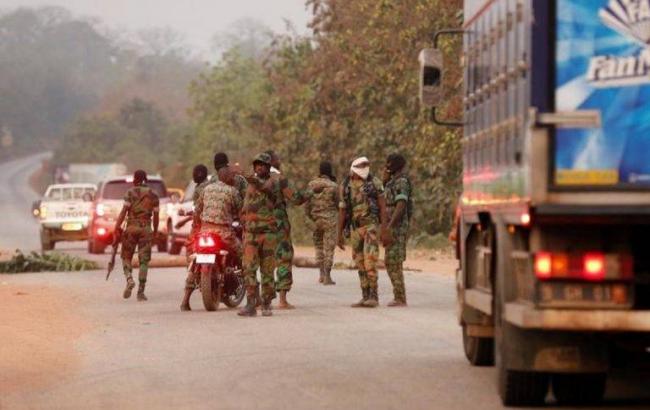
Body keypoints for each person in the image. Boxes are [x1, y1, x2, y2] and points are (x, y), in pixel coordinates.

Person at [180, 165, 243, 311]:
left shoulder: (206, 189)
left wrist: (197, 228)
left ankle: (185, 301)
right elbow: (240, 212)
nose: (233, 179)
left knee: (195, 262)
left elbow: (198, 210)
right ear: (227, 177)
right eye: (232, 176)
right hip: (224, 233)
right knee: (243, 255)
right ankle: (254, 294)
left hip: (205, 231)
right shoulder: (232, 191)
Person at [338, 157, 387, 308]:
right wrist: (338, 234)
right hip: (355, 229)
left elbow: (382, 205)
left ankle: (374, 295)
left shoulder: (374, 183)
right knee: (359, 262)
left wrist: (384, 228)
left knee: (370, 260)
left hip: (371, 226)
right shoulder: (346, 185)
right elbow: (342, 210)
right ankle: (365, 295)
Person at [238, 153, 282, 317]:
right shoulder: (250, 184)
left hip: (268, 233)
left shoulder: (273, 181)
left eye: (262, 165)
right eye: (257, 165)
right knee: (248, 268)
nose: (259, 167)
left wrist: (245, 175)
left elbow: (264, 188)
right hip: (251, 234)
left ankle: (266, 302)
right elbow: (246, 204)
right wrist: (243, 217)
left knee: (267, 269)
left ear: (268, 167)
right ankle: (250, 303)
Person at [114, 169, 160, 302]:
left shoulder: (130, 192)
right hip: (146, 228)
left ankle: (129, 278)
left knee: (126, 256)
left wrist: (116, 227)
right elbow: (156, 216)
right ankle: (141, 291)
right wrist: (155, 231)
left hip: (131, 228)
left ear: (135, 179)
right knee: (144, 261)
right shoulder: (153, 194)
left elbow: (124, 211)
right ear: (146, 179)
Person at [382, 153, 413, 307]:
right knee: (390, 261)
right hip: (391, 226)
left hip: (397, 227)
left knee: (393, 260)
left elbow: (401, 205)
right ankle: (399, 295)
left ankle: (400, 297)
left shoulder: (401, 182)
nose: (386, 166)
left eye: (389, 163)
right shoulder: (391, 182)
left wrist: (390, 226)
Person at [305, 161, 339, 285]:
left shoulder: (311, 184)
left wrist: (310, 218)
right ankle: (328, 277)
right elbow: (337, 204)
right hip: (330, 221)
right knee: (328, 248)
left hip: (315, 220)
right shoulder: (333, 186)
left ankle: (321, 274)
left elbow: (306, 205)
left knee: (318, 247)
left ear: (319, 171)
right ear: (330, 171)